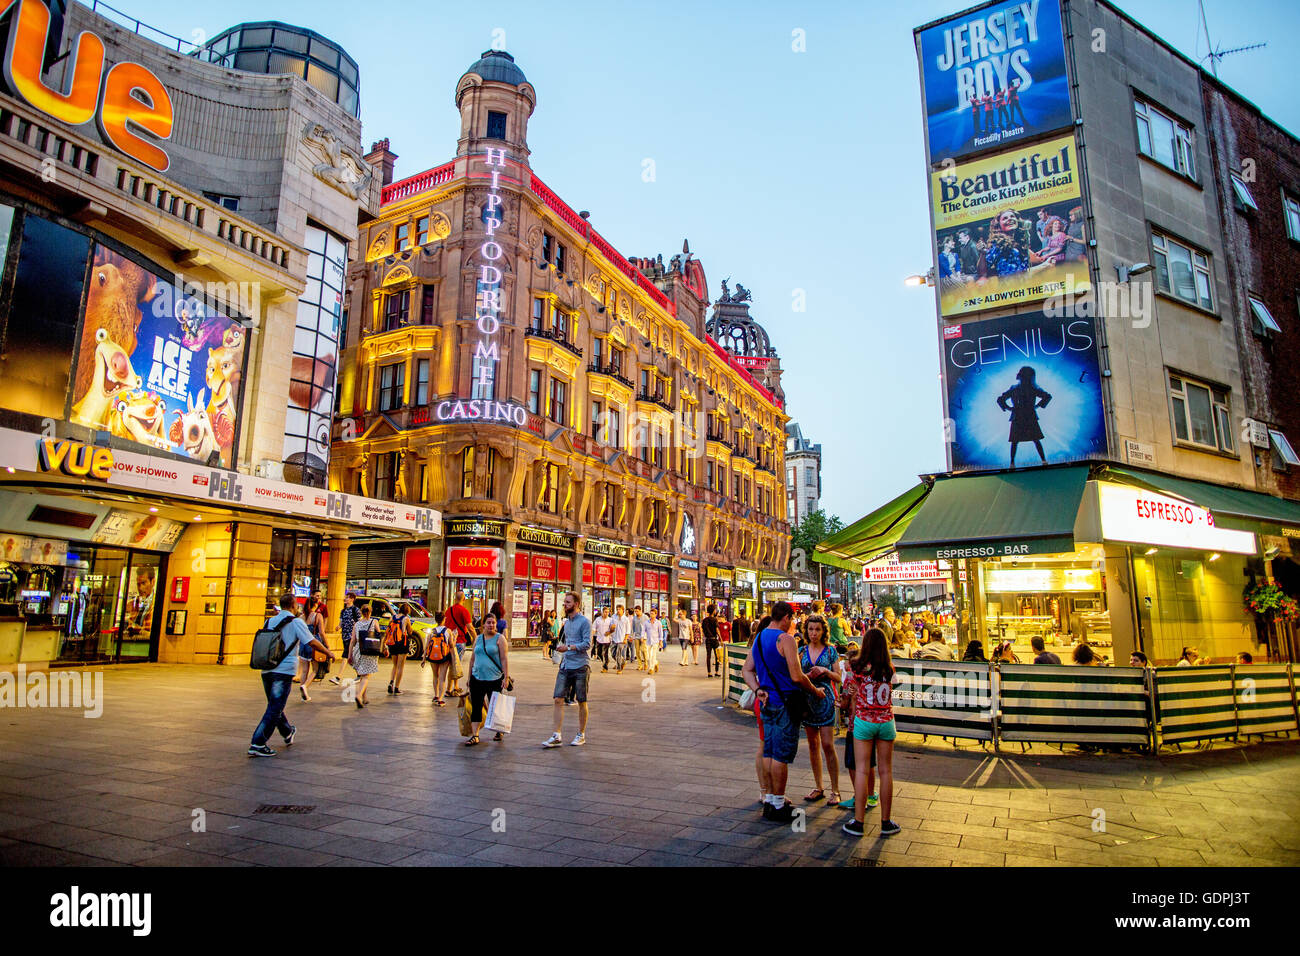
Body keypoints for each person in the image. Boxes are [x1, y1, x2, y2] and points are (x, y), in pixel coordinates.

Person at [741, 601, 826, 823]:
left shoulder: (759, 638)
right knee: (780, 756)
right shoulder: (785, 639)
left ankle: (770, 799)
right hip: (785, 703)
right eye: (794, 618)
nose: (794, 623)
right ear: (787, 617)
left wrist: (758, 690)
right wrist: (815, 690)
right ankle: (778, 804)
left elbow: (746, 670)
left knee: (768, 751)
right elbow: (797, 676)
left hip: (766, 702)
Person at [249, 593, 331, 756]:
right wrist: (328, 652)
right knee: (275, 707)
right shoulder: (295, 622)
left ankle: (287, 732)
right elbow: (311, 641)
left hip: (267, 669)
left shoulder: (269, 621)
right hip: (284, 670)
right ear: (293, 606)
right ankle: (258, 743)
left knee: (274, 705)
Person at [842, 627, 901, 838]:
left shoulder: (857, 666)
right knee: (886, 771)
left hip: (864, 721)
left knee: (862, 770)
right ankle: (886, 822)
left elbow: (849, 688)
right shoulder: (889, 668)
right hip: (886, 721)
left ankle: (859, 822)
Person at [800, 614, 843, 806]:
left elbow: (838, 677)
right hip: (808, 701)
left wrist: (825, 671)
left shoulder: (831, 651)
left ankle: (835, 789)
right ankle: (819, 786)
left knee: (827, 744)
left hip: (826, 700)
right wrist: (808, 675)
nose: (814, 633)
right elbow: (797, 675)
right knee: (812, 744)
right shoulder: (801, 651)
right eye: (810, 629)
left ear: (823, 631)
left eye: (817, 629)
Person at [544, 591, 591, 748]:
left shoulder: (584, 622)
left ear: (576, 604)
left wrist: (569, 647)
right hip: (565, 665)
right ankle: (556, 735)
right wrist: (561, 648)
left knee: (582, 701)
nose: (565, 605)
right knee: (558, 699)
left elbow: (587, 644)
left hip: (581, 666)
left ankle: (581, 734)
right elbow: (565, 640)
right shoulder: (567, 622)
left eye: (568, 602)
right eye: (564, 602)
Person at [464, 611, 510, 746]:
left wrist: (506, 677)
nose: (491, 625)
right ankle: (475, 735)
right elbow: (472, 659)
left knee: (495, 706)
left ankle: (499, 730)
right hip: (477, 677)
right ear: (483, 624)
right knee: (476, 707)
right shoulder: (478, 639)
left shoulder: (500, 638)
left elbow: (504, 659)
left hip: (494, 678)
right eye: (488, 623)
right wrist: (469, 677)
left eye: (493, 623)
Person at [998, 365, 1052, 468]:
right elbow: (1000, 399)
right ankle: (1014, 463)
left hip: (1024, 417)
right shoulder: (1027, 388)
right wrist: (1009, 408)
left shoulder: (1030, 388)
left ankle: (1042, 461)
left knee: (1023, 441)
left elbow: (1047, 396)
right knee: (1019, 441)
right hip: (1022, 417)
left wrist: (1009, 408)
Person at [348, 602, 381, 709]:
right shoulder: (374, 622)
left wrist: (349, 655)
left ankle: (364, 697)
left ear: (361, 612)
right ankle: (358, 695)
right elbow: (378, 635)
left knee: (362, 674)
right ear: (370, 612)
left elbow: (352, 640)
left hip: (358, 650)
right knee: (366, 676)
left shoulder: (357, 624)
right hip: (370, 650)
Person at [444, 590, 475, 696]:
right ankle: (449, 689)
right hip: (459, 641)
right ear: (464, 599)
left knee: (454, 665)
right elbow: (470, 627)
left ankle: (455, 687)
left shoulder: (448, 610)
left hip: (448, 641)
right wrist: (476, 638)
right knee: (455, 665)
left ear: (454, 598)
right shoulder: (464, 611)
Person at [423, 610, 455, 706]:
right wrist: (455, 637)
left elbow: (427, 646)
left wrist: (424, 659)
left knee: (435, 676)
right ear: (444, 619)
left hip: (432, 657)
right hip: (444, 657)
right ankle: (440, 699)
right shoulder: (448, 631)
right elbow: (452, 645)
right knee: (442, 677)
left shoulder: (432, 631)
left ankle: (436, 695)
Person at [330, 591, 360, 686]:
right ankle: (360, 674)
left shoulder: (355, 610)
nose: (345, 599)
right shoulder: (343, 611)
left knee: (345, 656)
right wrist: (338, 627)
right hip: (345, 636)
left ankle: (338, 677)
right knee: (350, 657)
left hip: (352, 637)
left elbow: (359, 622)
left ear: (352, 599)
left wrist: (355, 634)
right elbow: (341, 622)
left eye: (347, 597)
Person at [386, 602, 411, 695]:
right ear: (407, 611)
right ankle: (396, 687)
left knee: (395, 665)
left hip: (392, 643)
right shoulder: (406, 619)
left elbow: (388, 629)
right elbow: (410, 631)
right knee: (401, 666)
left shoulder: (393, 617)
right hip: (402, 642)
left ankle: (391, 682)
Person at [611, 604, 631, 672]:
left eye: (619, 609)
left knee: (618, 654)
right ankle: (622, 661)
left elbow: (628, 630)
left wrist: (625, 639)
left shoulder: (626, 619)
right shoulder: (614, 617)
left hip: (621, 639)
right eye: (617, 609)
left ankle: (619, 669)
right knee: (613, 654)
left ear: (623, 610)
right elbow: (611, 626)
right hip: (614, 638)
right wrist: (611, 628)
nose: (618, 611)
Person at [702, 604, 720, 677]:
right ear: (713, 611)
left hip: (708, 640)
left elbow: (703, 629)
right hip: (714, 639)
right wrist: (721, 638)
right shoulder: (715, 619)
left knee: (708, 656)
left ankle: (709, 672)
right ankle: (716, 671)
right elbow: (717, 629)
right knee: (717, 655)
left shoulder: (705, 620)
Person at [644, 608, 662, 674]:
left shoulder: (658, 623)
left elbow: (660, 632)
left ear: (656, 615)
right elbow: (644, 630)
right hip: (648, 641)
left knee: (653, 655)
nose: (651, 615)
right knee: (649, 656)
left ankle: (651, 669)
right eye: (650, 613)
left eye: (652, 614)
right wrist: (642, 637)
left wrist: (661, 641)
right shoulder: (646, 622)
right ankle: (656, 663)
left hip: (655, 641)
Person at [630, 605, 646, 670]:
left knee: (643, 650)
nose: (636, 613)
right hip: (636, 636)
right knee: (637, 651)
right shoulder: (634, 618)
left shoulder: (645, 617)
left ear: (640, 611)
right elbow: (633, 628)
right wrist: (632, 636)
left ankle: (645, 663)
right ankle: (640, 665)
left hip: (643, 637)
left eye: (637, 611)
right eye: (635, 611)